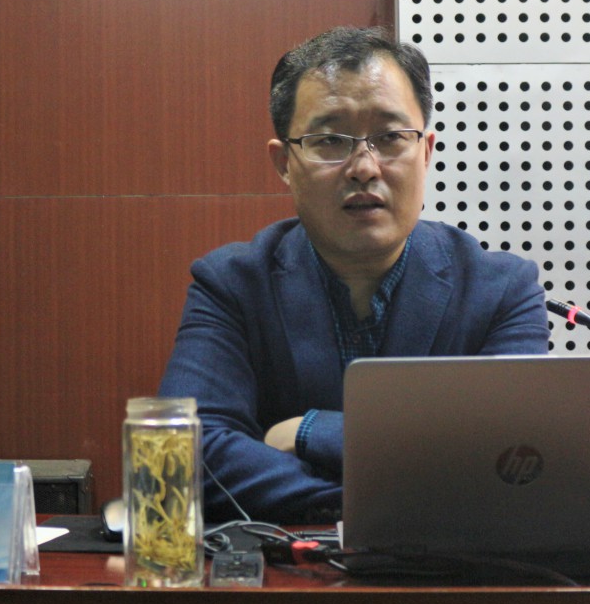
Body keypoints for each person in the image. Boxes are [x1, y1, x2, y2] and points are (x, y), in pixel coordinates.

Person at [159, 27, 549, 523]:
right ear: (284, 162)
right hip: (287, 570)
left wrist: (310, 431)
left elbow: (511, 458)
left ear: (426, 151)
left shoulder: (501, 291)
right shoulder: (232, 284)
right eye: (329, 141)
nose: (365, 167)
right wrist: (375, 497)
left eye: (390, 138)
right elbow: (185, 455)